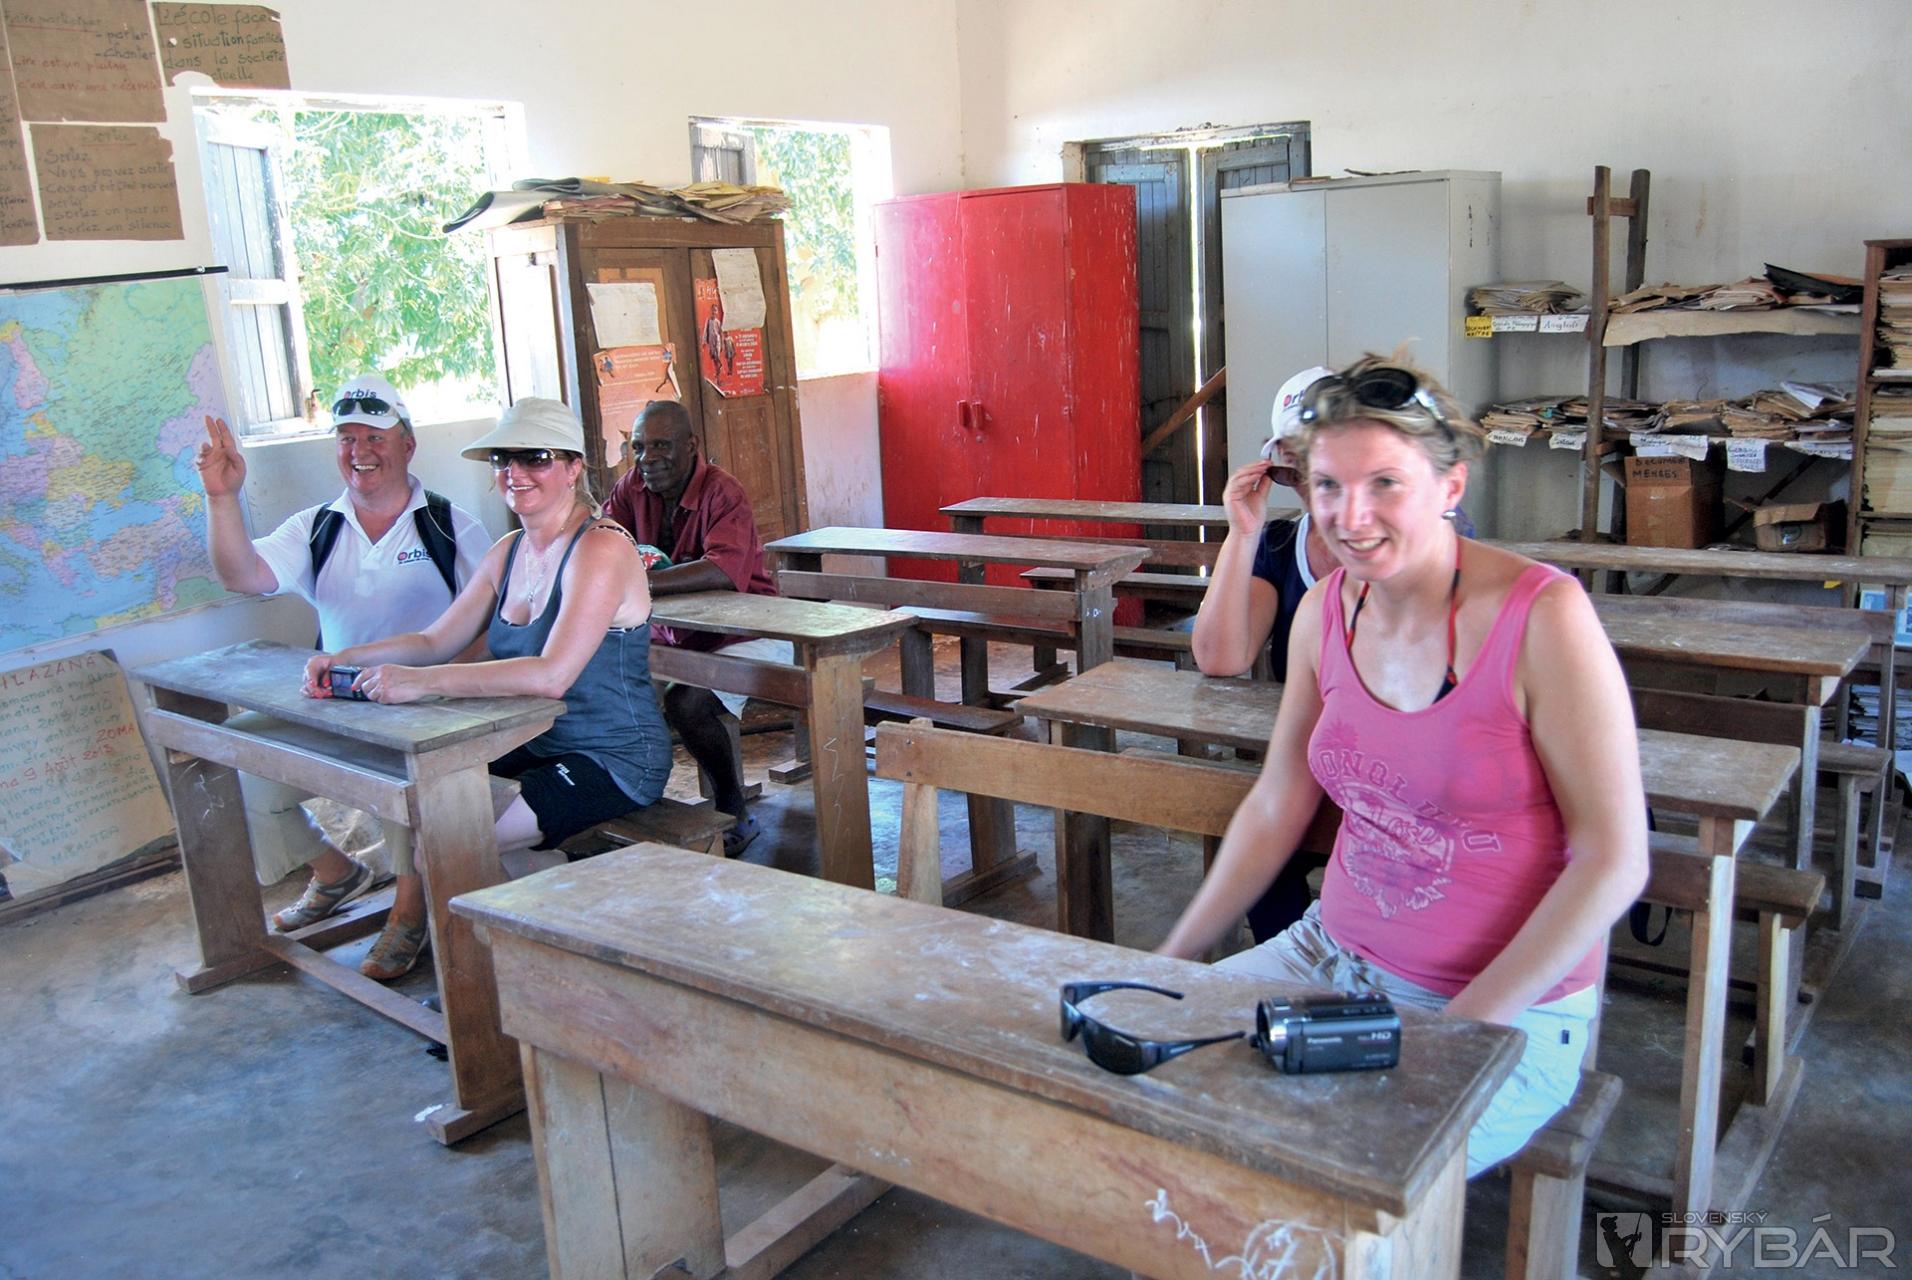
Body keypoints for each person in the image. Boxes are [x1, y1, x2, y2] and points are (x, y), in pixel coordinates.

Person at [1158, 354, 1647, 1176]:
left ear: (1451, 486)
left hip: (1502, 1008)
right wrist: (1170, 961)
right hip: (1327, 953)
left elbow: (1614, 860)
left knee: (1319, 1182)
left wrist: (1457, 1036)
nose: (1351, 517)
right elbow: (1278, 803)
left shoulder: (1542, 616)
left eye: (1385, 483)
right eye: (1327, 486)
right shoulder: (1324, 611)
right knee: (1150, 1097)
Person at [304, 398, 673, 978]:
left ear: (573, 467)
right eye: (504, 459)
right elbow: (434, 640)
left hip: (613, 756)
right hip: (530, 741)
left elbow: (551, 674)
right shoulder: (509, 552)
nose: (515, 473)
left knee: (446, 845)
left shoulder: (601, 547)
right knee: (423, 803)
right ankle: (528, 936)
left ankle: (505, 976)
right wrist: (345, 658)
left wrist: (422, 685)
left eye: (536, 458)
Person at [195, 373, 492, 978]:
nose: (360, 451)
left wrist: (438, 684)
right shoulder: (318, 526)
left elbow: (495, 628)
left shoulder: (449, 526)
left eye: (375, 437)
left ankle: (409, 910)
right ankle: (335, 873)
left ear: (408, 445)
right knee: (228, 768)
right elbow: (241, 575)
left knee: (406, 781)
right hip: (335, 703)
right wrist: (222, 499)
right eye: (347, 438)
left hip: (425, 708)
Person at [604, 400, 781, 855]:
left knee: (687, 703)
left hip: (747, 631)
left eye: (662, 446)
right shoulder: (632, 488)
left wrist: (639, 582)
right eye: (638, 447)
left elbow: (722, 570)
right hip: (675, 631)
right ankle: (633, 801)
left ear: (691, 446)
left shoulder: (723, 493)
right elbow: (601, 544)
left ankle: (733, 807)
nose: (648, 458)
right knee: (613, 688)